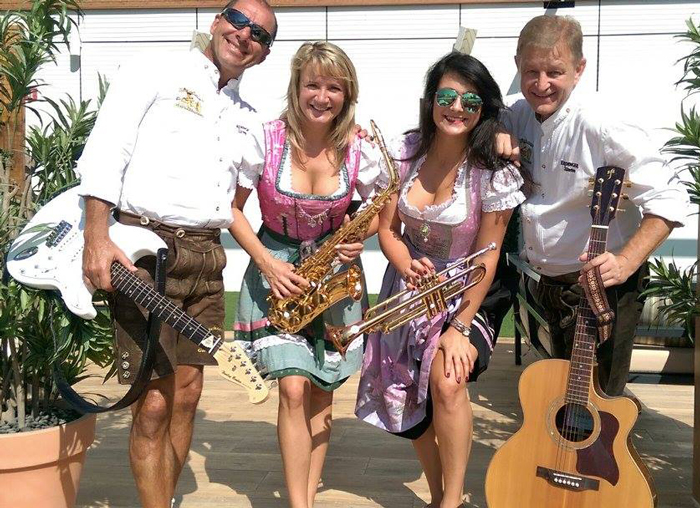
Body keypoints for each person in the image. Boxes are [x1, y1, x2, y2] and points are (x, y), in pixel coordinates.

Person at [77, 1, 277, 507]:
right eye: (238, 20)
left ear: (263, 54)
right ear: (216, 22)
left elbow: (237, 202)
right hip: (147, 251)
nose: (245, 35)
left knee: (187, 396)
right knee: (152, 404)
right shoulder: (155, 70)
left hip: (208, 257)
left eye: (259, 34)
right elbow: (107, 148)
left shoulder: (249, 120)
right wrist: (96, 236)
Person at [355, 52, 526, 508]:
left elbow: (488, 256)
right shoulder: (404, 153)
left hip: (468, 292)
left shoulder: (493, 172)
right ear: (431, 99)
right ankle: (435, 493)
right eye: (447, 96)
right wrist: (405, 263)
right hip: (407, 289)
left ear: (484, 109)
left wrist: (460, 327)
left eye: (471, 101)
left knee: (447, 381)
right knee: (406, 394)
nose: (457, 108)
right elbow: (389, 229)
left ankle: (452, 500)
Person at [501, 14, 690, 396]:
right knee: (562, 397)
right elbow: (479, 108)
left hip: (602, 289)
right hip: (547, 286)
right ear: (518, 65)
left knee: (601, 401)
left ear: (579, 69)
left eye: (555, 72)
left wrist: (626, 262)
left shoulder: (603, 124)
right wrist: (497, 129)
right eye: (531, 71)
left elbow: (670, 198)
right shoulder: (517, 113)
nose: (541, 84)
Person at [230, 41, 381, 508]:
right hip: (277, 274)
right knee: (293, 388)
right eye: (313, 84)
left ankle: (308, 495)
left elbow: (381, 209)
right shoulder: (265, 138)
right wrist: (267, 263)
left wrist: (360, 235)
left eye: (334, 87)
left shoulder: (359, 147)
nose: (322, 96)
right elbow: (231, 210)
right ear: (296, 87)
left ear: (347, 94)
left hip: (334, 276)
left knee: (322, 389)